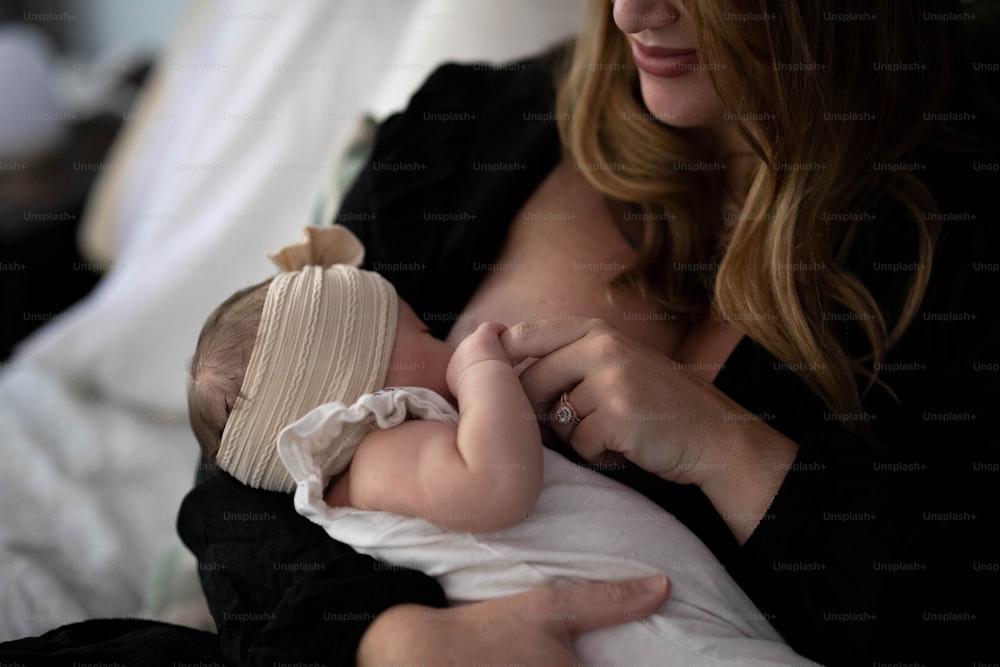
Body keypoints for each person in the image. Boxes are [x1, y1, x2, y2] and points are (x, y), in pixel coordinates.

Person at [177, 0, 999, 665]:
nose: (631, 13)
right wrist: (392, 641)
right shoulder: (466, 131)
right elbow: (241, 475)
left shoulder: (955, 236)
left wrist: (727, 447)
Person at [186, 224, 818, 666]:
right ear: (361, 389)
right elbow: (494, 485)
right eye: (423, 331)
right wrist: (481, 371)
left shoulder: (390, 451)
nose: (445, 340)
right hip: (613, 634)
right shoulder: (379, 457)